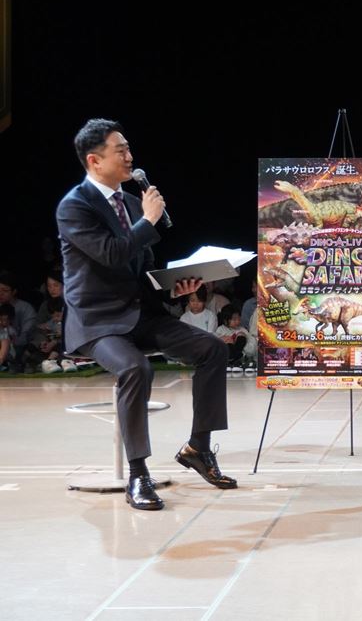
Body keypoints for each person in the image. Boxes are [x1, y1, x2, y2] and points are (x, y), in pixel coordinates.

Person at [57, 118, 236, 512]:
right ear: (94, 160)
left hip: (141, 315)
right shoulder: (74, 206)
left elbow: (140, 268)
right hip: (98, 322)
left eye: (128, 148)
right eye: (120, 150)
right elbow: (111, 254)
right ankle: (138, 474)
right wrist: (148, 220)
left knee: (213, 349)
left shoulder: (132, 204)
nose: (129, 157)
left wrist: (174, 287)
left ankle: (198, 447)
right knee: (136, 369)